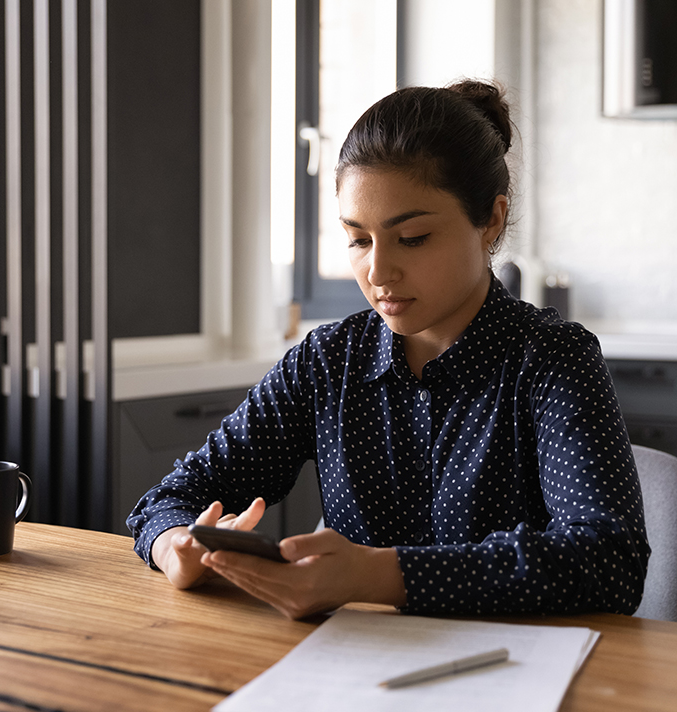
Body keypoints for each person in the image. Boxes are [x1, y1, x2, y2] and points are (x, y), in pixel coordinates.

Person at [127, 80, 649, 620]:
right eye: (358, 239)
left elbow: (610, 561)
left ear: (491, 220)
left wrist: (377, 573)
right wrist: (176, 548)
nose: (377, 272)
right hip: (355, 669)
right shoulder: (326, 362)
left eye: (413, 238)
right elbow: (173, 496)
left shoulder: (554, 360)